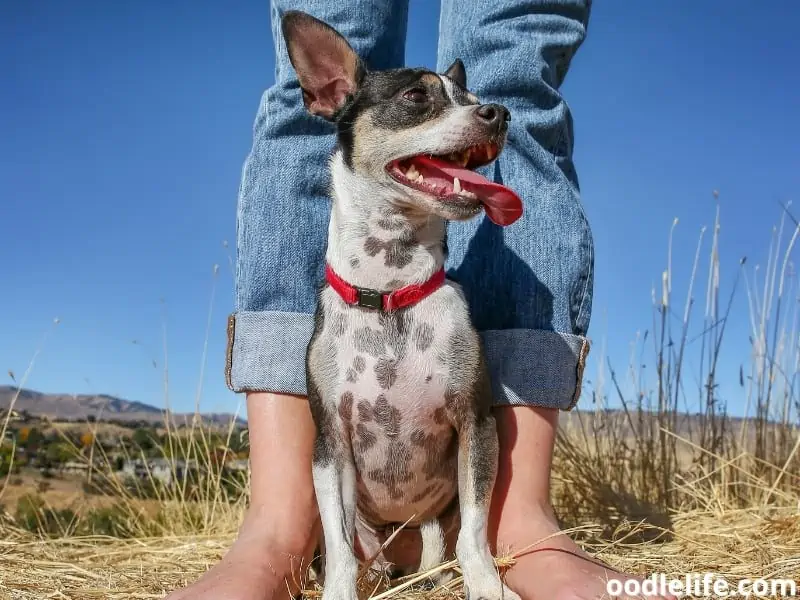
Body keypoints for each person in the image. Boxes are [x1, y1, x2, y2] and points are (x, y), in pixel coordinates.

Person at [168, 2, 670, 599]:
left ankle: (514, 525)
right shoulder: (340, 102)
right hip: (349, 355)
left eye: (459, 102)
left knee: (515, 60)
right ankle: (282, 528)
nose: (478, 115)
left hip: (442, 485)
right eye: (418, 101)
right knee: (328, 31)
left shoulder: (449, 315)